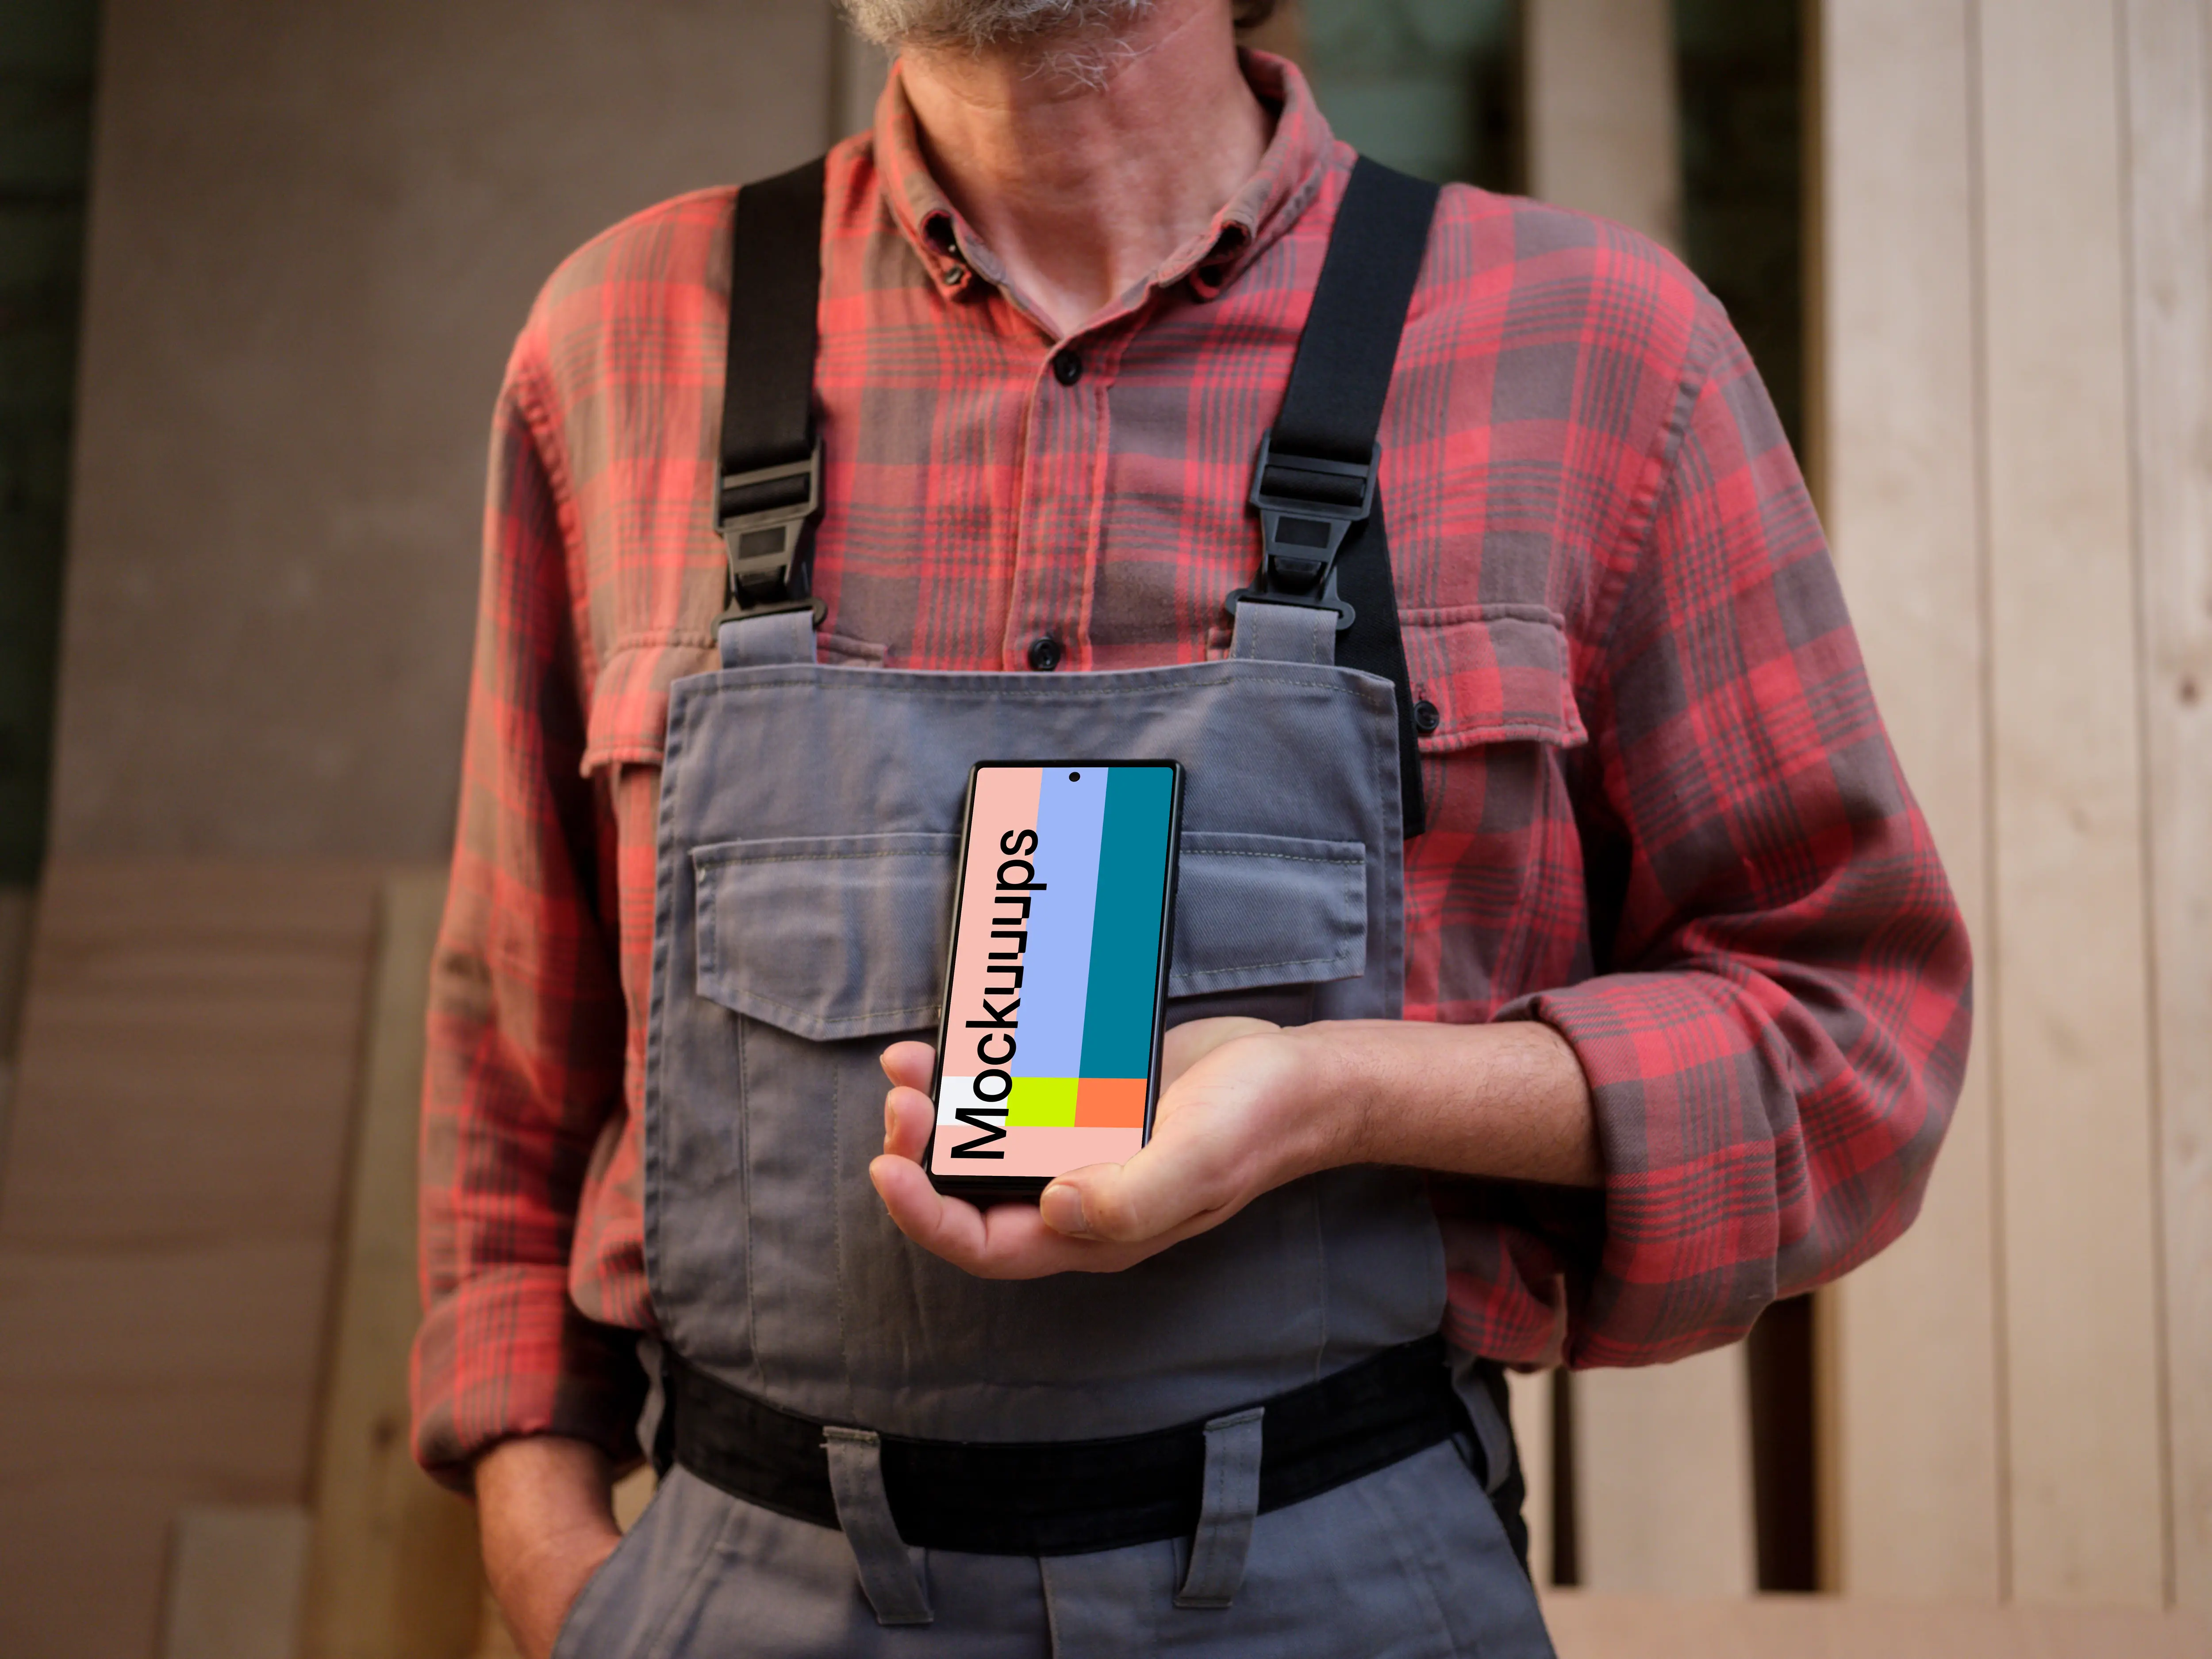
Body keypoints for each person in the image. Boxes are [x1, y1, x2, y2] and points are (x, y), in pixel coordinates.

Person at [412, 0, 1973, 1652]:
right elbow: (511, 1072)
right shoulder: (624, 337)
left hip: (1342, 1583)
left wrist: (1343, 1093)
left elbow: (1851, 1043)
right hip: (746, 1590)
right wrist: (556, 1565)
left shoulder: (1600, 349)